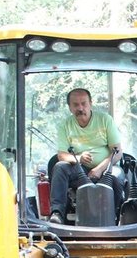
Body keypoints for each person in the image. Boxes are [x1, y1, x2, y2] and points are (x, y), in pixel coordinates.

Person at [48, 87, 123, 223]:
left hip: (106, 168)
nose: (80, 108)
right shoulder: (65, 125)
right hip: (78, 170)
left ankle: (116, 216)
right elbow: (62, 155)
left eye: (84, 103)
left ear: (91, 104)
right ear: (70, 108)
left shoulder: (105, 120)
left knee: (117, 177)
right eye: (75, 105)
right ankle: (57, 213)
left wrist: (99, 169)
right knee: (59, 167)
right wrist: (79, 158)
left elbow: (117, 153)